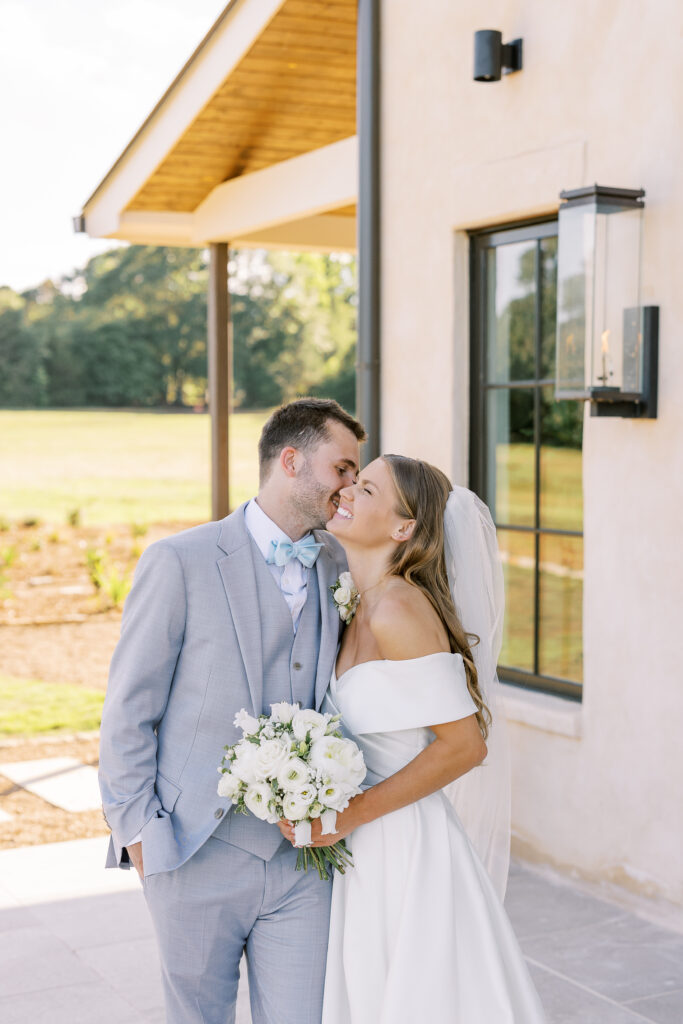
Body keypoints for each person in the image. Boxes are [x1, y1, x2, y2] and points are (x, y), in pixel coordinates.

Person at [98, 398, 365, 1024]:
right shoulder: (180, 561)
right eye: (343, 468)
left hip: (304, 860)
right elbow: (129, 710)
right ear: (292, 461)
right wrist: (141, 836)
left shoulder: (342, 564)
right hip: (195, 850)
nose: (351, 487)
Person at [278, 453, 546, 1022]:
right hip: (362, 843)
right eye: (353, 480)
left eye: (367, 488)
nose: (347, 490)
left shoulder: (398, 608)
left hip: (402, 845)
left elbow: (465, 746)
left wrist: (347, 815)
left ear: (404, 528)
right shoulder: (358, 603)